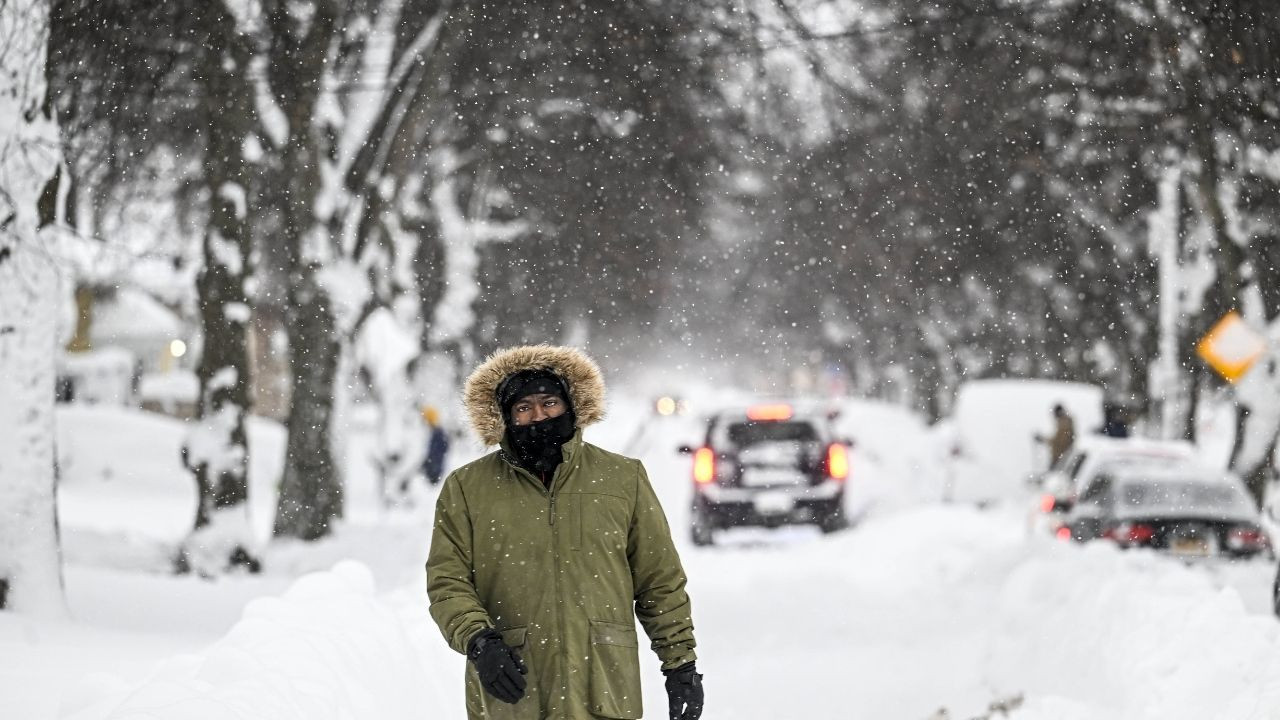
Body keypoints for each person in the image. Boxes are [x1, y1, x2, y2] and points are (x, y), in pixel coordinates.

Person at [426, 345, 703, 720]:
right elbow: (447, 582)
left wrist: (680, 664)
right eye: (523, 408)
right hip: (513, 694)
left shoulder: (622, 479)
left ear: (571, 405)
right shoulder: (467, 488)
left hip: (602, 687)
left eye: (549, 402)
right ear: (504, 418)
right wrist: (479, 641)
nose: (538, 416)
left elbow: (659, 581)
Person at [1037, 403, 1076, 468]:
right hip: (1062, 458)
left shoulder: (1064, 426)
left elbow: (1059, 442)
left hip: (1061, 460)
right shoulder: (1065, 424)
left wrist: (1043, 440)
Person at [421, 405, 450, 485]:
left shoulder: (438, 434)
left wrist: (430, 468)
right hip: (434, 474)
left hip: (434, 475)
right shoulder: (436, 433)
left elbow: (436, 455)